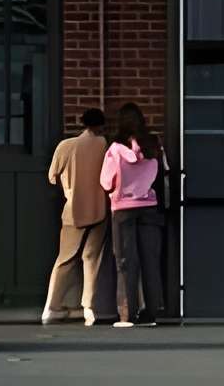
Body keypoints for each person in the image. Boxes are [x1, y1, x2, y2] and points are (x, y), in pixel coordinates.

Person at [43, 105, 113, 325]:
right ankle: (89, 307)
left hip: (72, 209)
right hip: (100, 207)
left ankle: (52, 306)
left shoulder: (66, 146)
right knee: (92, 258)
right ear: (102, 124)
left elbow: (52, 177)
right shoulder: (105, 146)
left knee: (65, 259)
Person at [100, 100, 166, 326]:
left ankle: (128, 314)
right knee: (150, 260)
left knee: (126, 262)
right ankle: (152, 311)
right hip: (149, 206)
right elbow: (162, 174)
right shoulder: (154, 145)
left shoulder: (114, 149)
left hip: (123, 209)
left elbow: (106, 182)